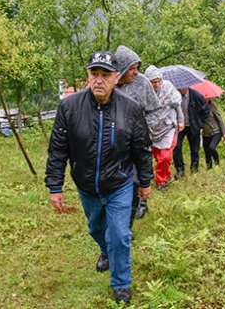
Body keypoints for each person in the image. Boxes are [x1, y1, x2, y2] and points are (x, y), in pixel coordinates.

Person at [45, 50, 153, 304]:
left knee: (119, 233)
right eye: (95, 74)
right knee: (96, 228)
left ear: (117, 78)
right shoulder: (69, 107)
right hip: (86, 185)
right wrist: (54, 185)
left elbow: (141, 148)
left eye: (106, 75)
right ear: (88, 76)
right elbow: (58, 149)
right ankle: (105, 250)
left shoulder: (131, 109)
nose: (99, 80)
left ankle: (121, 284)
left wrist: (145, 182)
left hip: (120, 182)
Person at [114, 45, 161, 221]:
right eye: (131, 68)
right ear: (121, 69)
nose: (135, 72)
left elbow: (155, 109)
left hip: (137, 142)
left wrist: (143, 131)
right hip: (114, 144)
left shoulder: (142, 83)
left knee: (136, 178)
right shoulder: (109, 84)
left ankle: (132, 216)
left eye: (137, 68)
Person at [143, 65, 184, 191]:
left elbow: (177, 105)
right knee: (157, 156)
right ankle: (167, 174)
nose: (156, 84)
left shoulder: (168, 87)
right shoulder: (143, 91)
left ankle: (161, 181)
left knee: (164, 156)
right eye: (153, 82)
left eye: (158, 81)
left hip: (168, 127)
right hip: (152, 129)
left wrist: (181, 120)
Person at [173, 86, 210, 177]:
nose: (181, 90)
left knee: (195, 149)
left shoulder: (196, 95)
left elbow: (206, 110)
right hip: (178, 126)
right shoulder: (173, 95)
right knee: (176, 147)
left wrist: (199, 124)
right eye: (179, 88)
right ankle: (180, 170)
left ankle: (194, 169)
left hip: (193, 126)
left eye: (183, 88)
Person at [202, 98, 225, 169]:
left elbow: (219, 119)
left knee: (211, 147)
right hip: (205, 132)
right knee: (207, 151)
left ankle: (217, 162)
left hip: (216, 131)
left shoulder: (213, 106)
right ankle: (209, 167)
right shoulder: (199, 106)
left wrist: (224, 132)